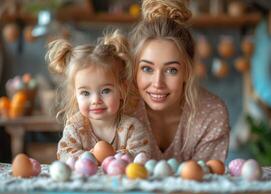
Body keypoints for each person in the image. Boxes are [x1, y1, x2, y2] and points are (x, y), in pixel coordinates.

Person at [129, 0, 230, 162]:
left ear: (187, 71)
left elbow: (207, 182)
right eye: (147, 69)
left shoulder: (211, 114)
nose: (157, 83)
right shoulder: (120, 109)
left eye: (171, 70)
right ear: (134, 69)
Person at [45, 30, 151, 162]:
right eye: (85, 93)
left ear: (122, 90)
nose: (96, 101)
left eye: (105, 91)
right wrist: (92, 156)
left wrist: (109, 156)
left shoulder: (131, 128)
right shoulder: (76, 127)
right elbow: (64, 153)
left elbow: (142, 155)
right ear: (75, 96)